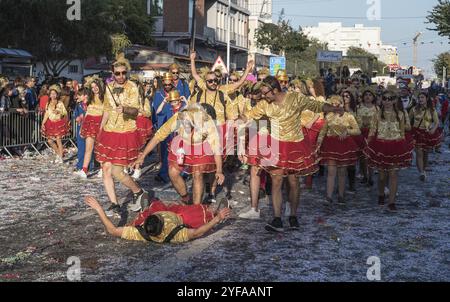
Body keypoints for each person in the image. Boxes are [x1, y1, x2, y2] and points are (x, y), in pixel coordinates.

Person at [242, 76, 344, 232]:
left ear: (274, 90)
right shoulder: (264, 104)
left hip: (295, 144)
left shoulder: (295, 98)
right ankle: (277, 219)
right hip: (275, 145)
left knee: (293, 182)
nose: (263, 96)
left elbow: (316, 105)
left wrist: (334, 108)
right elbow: (249, 115)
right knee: (276, 181)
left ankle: (293, 216)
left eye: (265, 93)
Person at [132, 103, 225, 206]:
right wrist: (143, 156)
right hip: (184, 145)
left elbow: (216, 148)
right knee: (172, 171)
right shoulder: (178, 117)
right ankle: (185, 197)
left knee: (197, 174)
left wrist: (219, 170)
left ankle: (196, 207)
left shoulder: (207, 121)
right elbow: (158, 136)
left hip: (201, 147)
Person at [94, 53, 149, 217]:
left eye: (124, 73)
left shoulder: (132, 87)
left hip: (125, 132)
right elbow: (106, 110)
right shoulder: (108, 88)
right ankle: (114, 204)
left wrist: (124, 109)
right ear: (113, 73)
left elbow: (137, 110)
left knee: (117, 171)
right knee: (105, 168)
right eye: (117, 73)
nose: (121, 76)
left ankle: (138, 192)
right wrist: (100, 129)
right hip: (109, 132)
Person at [84, 196, 231, 243]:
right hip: (177, 218)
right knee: (193, 215)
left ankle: (146, 210)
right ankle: (216, 212)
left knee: (153, 208)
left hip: (154, 216)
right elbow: (198, 232)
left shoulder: (140, 232)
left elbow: (112, 230)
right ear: (163, 224)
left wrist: (99, 209)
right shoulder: (174, 233)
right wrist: (217, 219)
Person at [363, 88, 413, 211]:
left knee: (393, 174)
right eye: (385, 98)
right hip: (381, 145)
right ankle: (381, 193)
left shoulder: (401, 114)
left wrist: (404, 144)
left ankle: (391, 202)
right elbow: (373, 130)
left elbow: (404, 131)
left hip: (396, 145)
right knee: (381, 176)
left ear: (395, 100)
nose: (387, 101)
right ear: (381, 100)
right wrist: (368, 143)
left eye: (390, 99)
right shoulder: (377, 114)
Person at [317, 95, 361, 204]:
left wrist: (347, 132)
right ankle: (329, 196)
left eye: (338, 104)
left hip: (344, 146)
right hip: (331, 145)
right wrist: (318, 145)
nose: (335, 106)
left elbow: (357, 130)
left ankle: (341, 195)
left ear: (342, 104)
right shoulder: (329, 117)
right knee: (331, 172)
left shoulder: (349, 116)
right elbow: (322, 132)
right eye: (333, 104)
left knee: (342, 172)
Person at [74, 75, 105, 179]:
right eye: (92, 87)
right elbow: (87, 112)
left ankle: (102, 169)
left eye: (96, 86)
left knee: (100, 149)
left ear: (100, 86)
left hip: (100, 123)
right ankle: (84, 170)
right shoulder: (90, 97)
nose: (94, 88)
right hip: (89, 123)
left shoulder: (105, 97)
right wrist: (83, 126)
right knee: (88, 148)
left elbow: (107, 112)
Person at [410, 92, 442, 181]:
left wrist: (433, 129)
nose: (420, 99)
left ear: (426, 98)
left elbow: (436, 122)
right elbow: (408, 121)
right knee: (419, 153)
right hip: (416, 133)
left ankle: (423, 170)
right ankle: (421, 172)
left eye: (422, 97)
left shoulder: (432, 110)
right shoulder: (413, 109)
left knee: (425, 153)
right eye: (419, 97)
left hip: (427, 133)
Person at [41, 85, 69, 163]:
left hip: (58, 123)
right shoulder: (48, 103)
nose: (53, 95)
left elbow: (64, 112)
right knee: (49, 141)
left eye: (54, 93)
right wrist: (43, 122)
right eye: (51, 94)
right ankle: (59, 153)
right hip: (50, 123)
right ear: (49, 95)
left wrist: (59, 111)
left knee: (58, 140)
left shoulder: (60, 103)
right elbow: (46, 114)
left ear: (57, 94)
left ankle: (60, 157)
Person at [356, 88, 379, 187]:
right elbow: (355, 120)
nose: (368, 96)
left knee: (370, 156)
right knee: (362, 157)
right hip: (361, 133)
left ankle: (371, 177)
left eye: (370, 95)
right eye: (366, 95)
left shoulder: (377, 108)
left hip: (372, 134)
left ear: (373, 97)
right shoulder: (358, 107)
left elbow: (379, 122)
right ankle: (365, 175)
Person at [73, 88, 94, 173]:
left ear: (85, 96)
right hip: (80, 127)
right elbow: (75, 114)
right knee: (81, 147)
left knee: (89, 148)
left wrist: (83, 115)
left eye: (80, 95)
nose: (78, 96)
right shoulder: (79, 104)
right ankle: (80, 165)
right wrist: (77, 117)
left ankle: (90, 166)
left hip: (90, 127)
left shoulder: (91, 104)